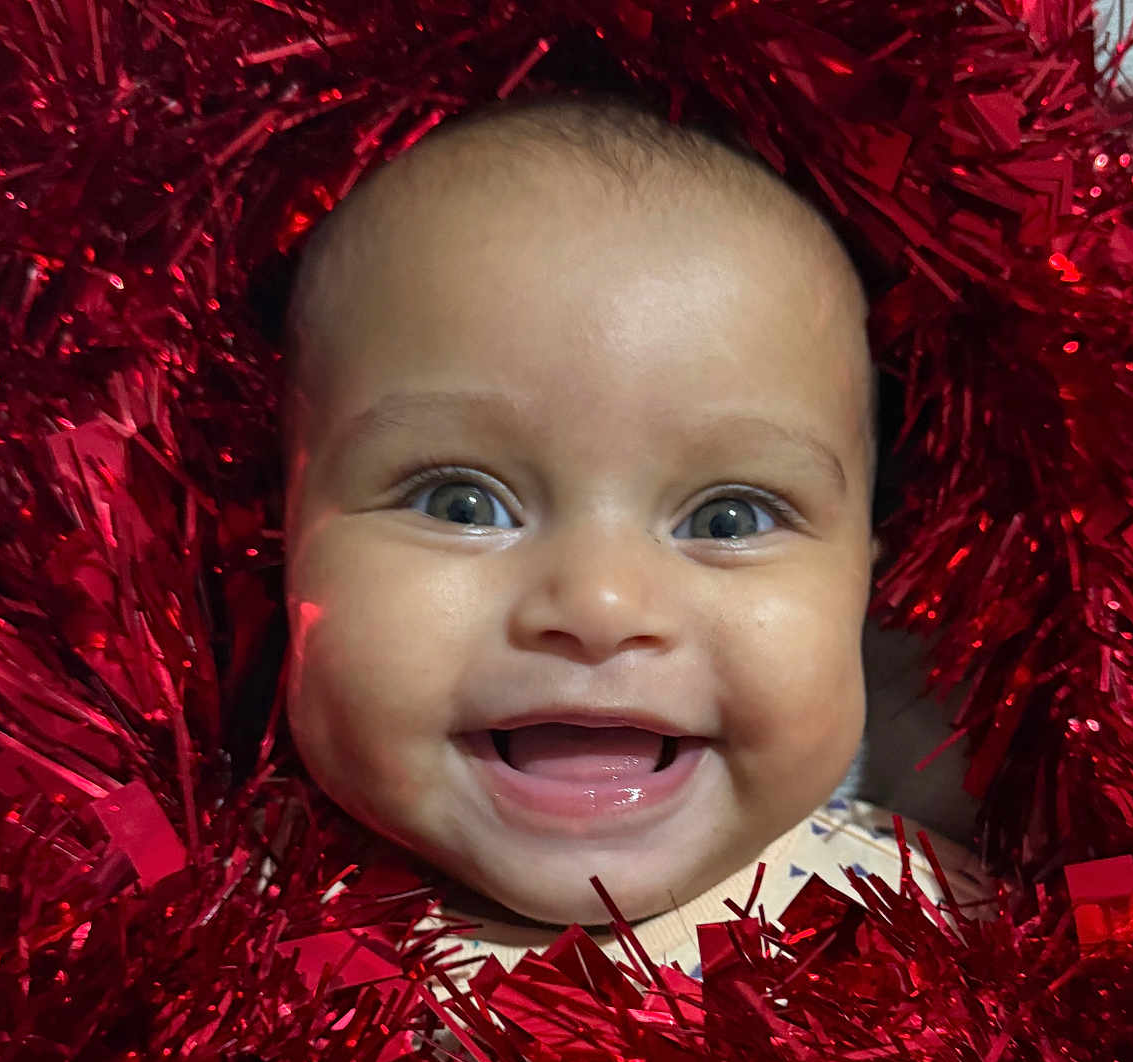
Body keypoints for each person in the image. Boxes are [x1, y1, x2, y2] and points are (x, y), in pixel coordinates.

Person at [281, 95, 989, 981]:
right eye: (460, 503)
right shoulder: (208, 932)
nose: (600, 605)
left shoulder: (936, 921)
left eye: (730, 519)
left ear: (866, 585)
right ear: (286, 538)